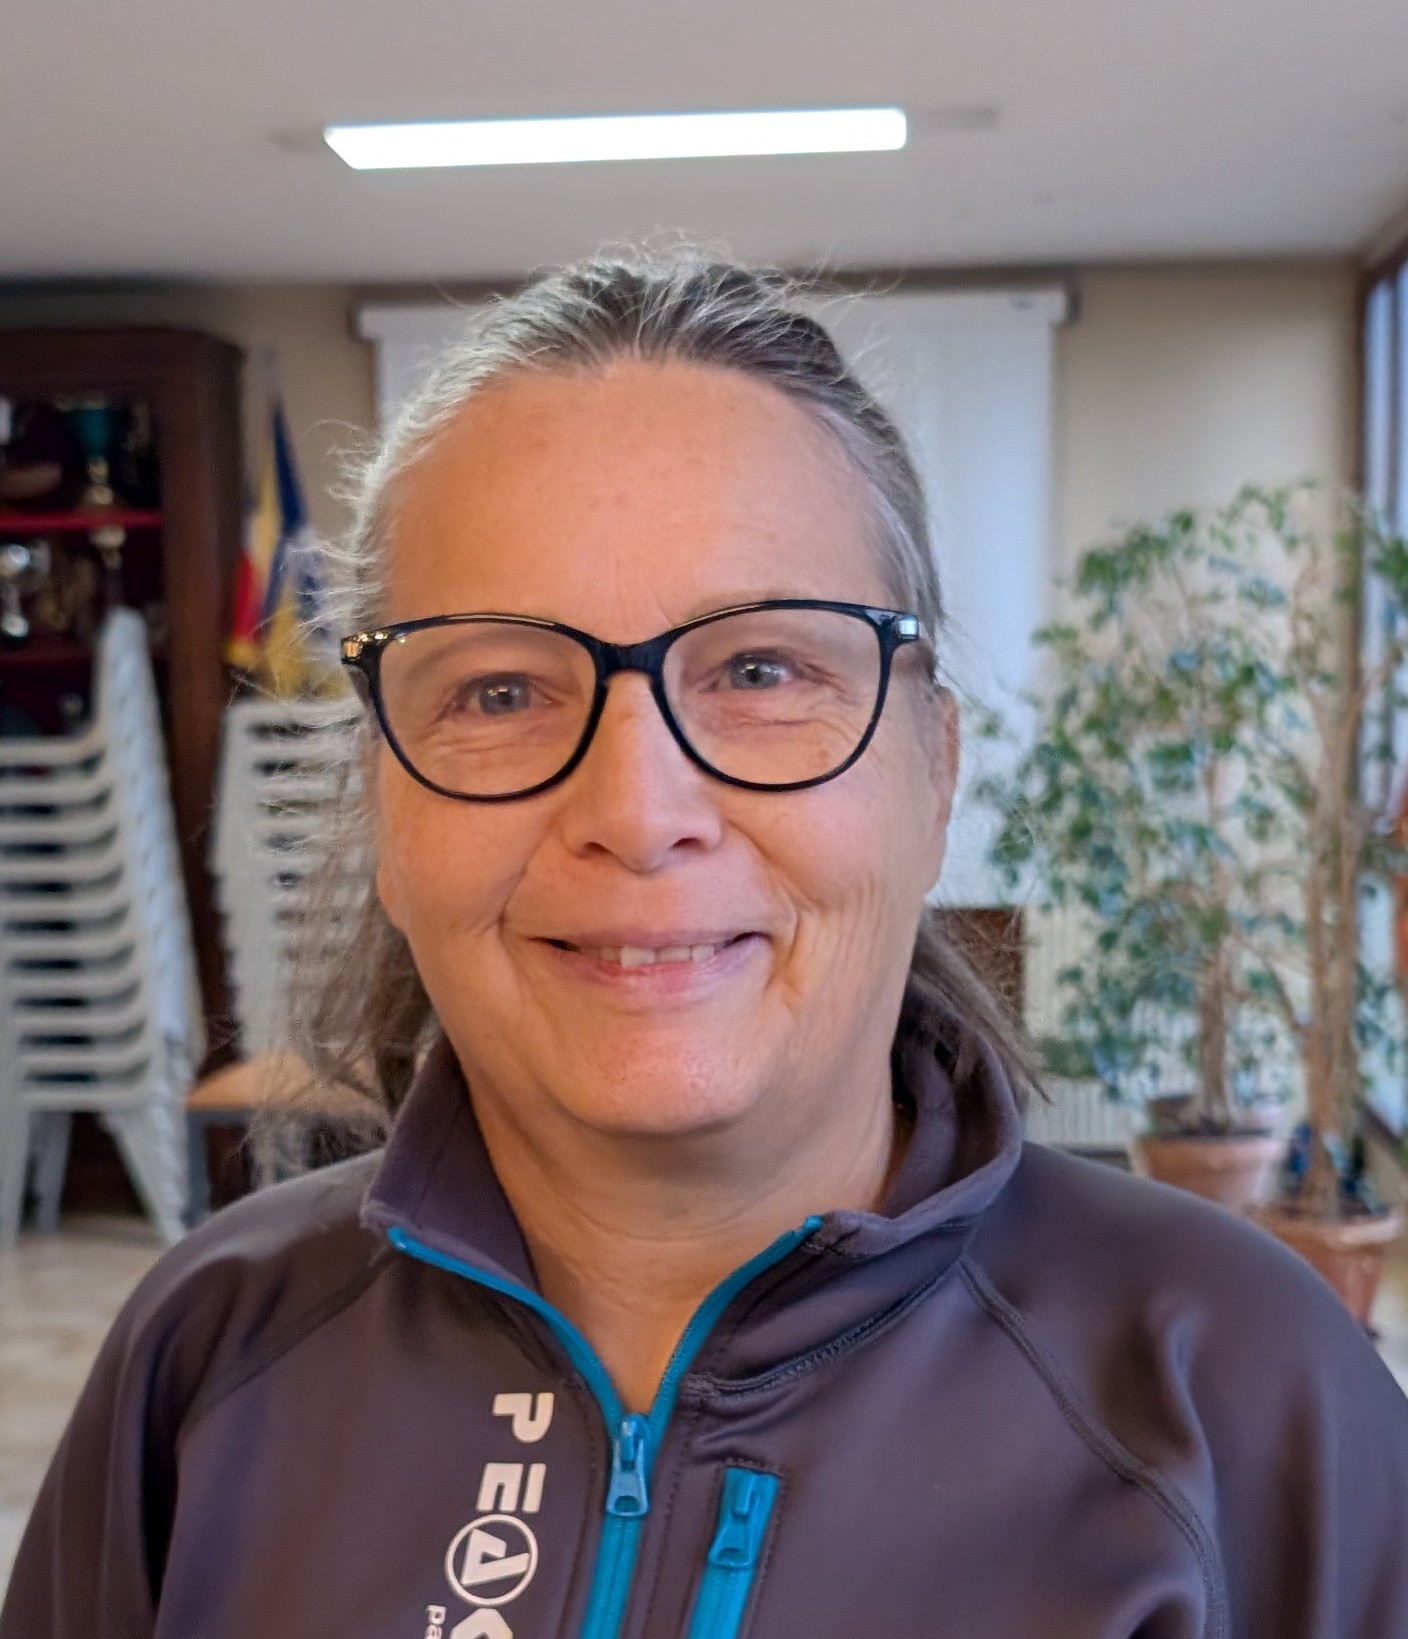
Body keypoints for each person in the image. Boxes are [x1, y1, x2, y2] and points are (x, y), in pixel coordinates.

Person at [5, 252, 1408, 1639]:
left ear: (934, 769)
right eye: (500, 691)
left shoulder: (1245, 1392)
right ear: (382, 798)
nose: (635, 812)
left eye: (759, 671)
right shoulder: (204, 1360)